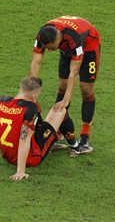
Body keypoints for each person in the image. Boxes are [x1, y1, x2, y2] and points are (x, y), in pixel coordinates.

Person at [0, 76, 66, 181]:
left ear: (21, 87)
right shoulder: (30, 108)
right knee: (60, 110)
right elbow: (23, 140)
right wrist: (20, 171)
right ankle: (67, 142)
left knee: (36, 124)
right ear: (35, 93)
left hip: (8, 156)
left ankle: (60, 140)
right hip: (31, 158)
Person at [29, 15, 101, 156]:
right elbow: (35, 62)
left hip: (89, 46)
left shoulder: (74, 39)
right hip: (66, 48)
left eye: (51, 48)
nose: (49, 51)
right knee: (62, 85)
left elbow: (73, 73)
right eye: (47, 48)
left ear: (58, 39)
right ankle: (56, 133)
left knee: (86, 90)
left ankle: (85, 137)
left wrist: (67, 99)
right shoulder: (42, 35)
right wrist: (31, 93)